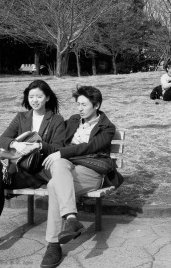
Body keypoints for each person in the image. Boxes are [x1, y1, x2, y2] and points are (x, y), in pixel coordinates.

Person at [0, 80, 66, 255]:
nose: (34, 100)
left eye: (39, 96)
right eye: (31, 96)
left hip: (39, 171)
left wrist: (38, 146)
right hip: (19, 169)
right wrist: (16, 144)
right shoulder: (21, 117)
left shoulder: (56, 120)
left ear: (47, 98)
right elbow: (1, 140)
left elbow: (59, 147)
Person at [39, 85, 115, 268]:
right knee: (58, 165)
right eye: (78, 104)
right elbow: (58, 143)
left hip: (90, 170)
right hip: (66, 168)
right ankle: (71, 219)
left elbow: (89, 148)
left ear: (96, 105)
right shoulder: (73, 120)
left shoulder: (107, 127)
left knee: (52, 187)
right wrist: (40, 145)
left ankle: (54, 244)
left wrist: (62, 153)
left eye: (83, 104)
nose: (79, 108)